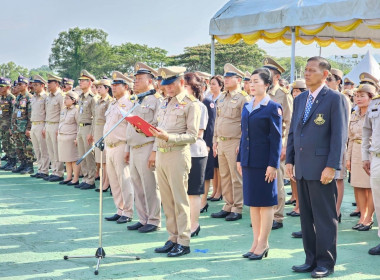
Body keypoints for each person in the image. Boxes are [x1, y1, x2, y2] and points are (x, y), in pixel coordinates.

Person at [286, 56, 348, 278]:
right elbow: (294, 132)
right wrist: (289, 160)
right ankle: (310, 259)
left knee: (324, 219)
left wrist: (332, 166)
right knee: (307, 218)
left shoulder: (335, 99)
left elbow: (339, 136)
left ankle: (325, 263)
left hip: (322, 168)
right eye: (306, 69)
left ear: (324, 74)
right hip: (302, 167)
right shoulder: (301, 98)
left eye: (312, 70)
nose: (306, 73)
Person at [150, 66, 200, 257]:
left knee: (180, 201)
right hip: (162, 154)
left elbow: (193, 136)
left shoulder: (191, 104)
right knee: (167, 201)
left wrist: (169, 137)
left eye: (171, 84)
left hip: (177, 154)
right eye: (165, 85)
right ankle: (172, 238)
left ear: (181, 82)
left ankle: (184, 241)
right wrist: (144, 129)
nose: (167, 88)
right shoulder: (164, 102)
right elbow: (158, 127)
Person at [238, 68, 282, 261]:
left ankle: (263, 243)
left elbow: (276, 138)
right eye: (250, 81)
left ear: (267, 84)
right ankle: (255, 242)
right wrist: (240, 159)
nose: (252, 84)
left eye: (256, 81)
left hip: (265, 163)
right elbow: (243, 136)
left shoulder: (272, 107)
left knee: (265, 204)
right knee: (253, 204)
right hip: (249, 161)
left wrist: (273, 164)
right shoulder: (247, 106)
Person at [125, 62, 162, 233]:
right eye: (135, 79)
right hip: (134, 148)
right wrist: (127, 149)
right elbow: (129, 127)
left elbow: (158, 128)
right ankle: (142, 218)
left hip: (147, 146)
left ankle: (154, 220)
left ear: (150, 81)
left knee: (149, 185)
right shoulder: (136, 100)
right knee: (137, 185)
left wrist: (154, 151)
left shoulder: (156, 101)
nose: (135, 82)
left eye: (139, 79)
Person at [211, 63, 250, 222]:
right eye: (225, 77)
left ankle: (237, 207)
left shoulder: (243, 98)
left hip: (235, 142)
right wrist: (215, 140)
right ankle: (228, 205)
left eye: (229, 78)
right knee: (224, 175)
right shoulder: (222, 97)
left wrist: (241, 145)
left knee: (236, 176)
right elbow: (218, 120)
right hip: (221, 141)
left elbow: (246, 124)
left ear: (238, 79)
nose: (226, 80)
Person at [263, 57, 293, 230]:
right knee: (264, 180)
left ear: (276, 77)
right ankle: (266, 215)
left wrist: (285, 146)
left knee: (278, 181)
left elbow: (289, 123)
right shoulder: (262, 94)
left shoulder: (284, 95)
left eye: (268, 74)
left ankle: (278, 216)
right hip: (263, 143)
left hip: (278, 142)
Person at [103, 71, 134, 224]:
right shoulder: (113, 103)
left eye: (116, 85)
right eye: (112, 85)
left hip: (121, 145)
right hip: (110, 146)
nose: (113, 88)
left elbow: (130, 128)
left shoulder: (129, 103)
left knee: (124, 180)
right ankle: (120, 209)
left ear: (126, 86)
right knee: (114, 181)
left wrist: (128, 148)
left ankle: (128, 211)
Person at [347, 84, 375, 231]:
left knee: (370, 187)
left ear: (371, 97)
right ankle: (362, 215)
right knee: (357, 186)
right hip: (356, 151)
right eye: (356, 96)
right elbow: (350, 137)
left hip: (371, 151)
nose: (358, 99)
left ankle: (369, 218)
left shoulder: (374, 112)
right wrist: (348, 157)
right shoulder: (354, 113)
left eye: (362, 96)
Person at [184, 72, 209, 237]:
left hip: (194, 153)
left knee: (193, 192)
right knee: (181, 192)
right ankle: (184, 225)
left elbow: (198, 133)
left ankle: (194, 224)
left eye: (185, 86)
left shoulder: (200, 106)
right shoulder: (176, 104)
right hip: (179, 152)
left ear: (194, 89)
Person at [326, 68, 351, 222]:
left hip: (337, 143)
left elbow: (343, 126)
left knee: (338, 179)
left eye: (329, 79)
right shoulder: (325, 97)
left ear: (338, 81)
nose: (327, 82)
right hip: (323, 145)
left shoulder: (342, 98)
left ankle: (336, 211)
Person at [362, 85, 380, 255]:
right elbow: (366, 130)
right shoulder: (375, 103)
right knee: (379, 199)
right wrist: (365, 156)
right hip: (377, 157)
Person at [286, 79, 307, 218]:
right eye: (294, 91)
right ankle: (297, 202)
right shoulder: (297, 103)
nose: (295, 94)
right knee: (294, 176)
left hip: (306, 147)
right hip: (293, 143)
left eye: (298, 91)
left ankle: (300, 205)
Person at [76, 70, 98, 190]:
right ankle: (85, 177)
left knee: (89, 155)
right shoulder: (81, 97)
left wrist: (91, 133)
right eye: (80, 81)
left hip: (88, 127)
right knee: (82, 154)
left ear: (90, 83)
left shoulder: (92, 98)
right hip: (80, 127)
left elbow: (95, 117)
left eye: (83, 81)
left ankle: (91, 179)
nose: (80, 83)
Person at [205, 75, 223, 202]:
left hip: (218, 132)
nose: (211, 86)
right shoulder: (208, 98)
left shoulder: (222, 98)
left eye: (214, 84)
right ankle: (215, 189)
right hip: (212, 132)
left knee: (220, 166)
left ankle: (219, 191)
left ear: (220, 86)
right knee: (214, 166)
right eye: (210, 84)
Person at [43, 74, 65, 182]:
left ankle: (59, 172)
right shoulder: (49, 96)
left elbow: (63, 113)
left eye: (50, 83)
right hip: (48, 124)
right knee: (51, 150)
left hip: (56, 124)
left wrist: (60, 128)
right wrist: (45, 126)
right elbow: (47, 113)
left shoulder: (61, 96)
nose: (48, 85)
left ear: (56, 84)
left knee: (57, 150)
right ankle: (54, 170)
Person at [11, 76, 34, 174]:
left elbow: (30, 115)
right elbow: (14, 113)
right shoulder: (19, 97)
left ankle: (29, 166)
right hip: (17, 127)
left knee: (27, 147)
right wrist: (12, 126)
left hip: (24, 127)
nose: (18, 86)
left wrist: (29, 128)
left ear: (26, 85)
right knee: (19, 147)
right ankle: (23, 164)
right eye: (18, 84)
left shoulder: (29, 97)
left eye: (20, 84)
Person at [93, 79, 113, 192]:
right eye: (98, 87)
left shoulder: (109, 101)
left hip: (104, 129)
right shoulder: (98, 101)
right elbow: (95, 118)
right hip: (97, 129)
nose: (98, 89)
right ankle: (104, 181)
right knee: (101, 159)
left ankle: (106, 183)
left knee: (105, 159)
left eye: (101, 87)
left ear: (107, 89)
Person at [58, 91, 80, 185]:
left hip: (71, 136)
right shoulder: (64, 110)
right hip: (62, 136)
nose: (65, 100)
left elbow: (79, 125)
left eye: (67, 98)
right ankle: (68, 177)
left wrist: (77, 137)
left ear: (73, 100)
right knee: (66, 159)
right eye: (65, 98)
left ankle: (75, 178)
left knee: (73, 159)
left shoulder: (76, 110)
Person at [29, 75, 49, 179]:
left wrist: (45, 126)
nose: (34, 87)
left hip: (42, 124)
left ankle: (44, 170)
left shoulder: (46, 97)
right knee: (36, 149)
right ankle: (40, 169)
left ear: (42, 85)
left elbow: (47, 113)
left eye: (36, 85)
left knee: (43, 149)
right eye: (33, 85)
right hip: (34, 124)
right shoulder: (33, 97)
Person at [0, 77, 16, 171]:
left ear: (7, 87)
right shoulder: (1, 97)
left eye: (1, 86)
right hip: (2, 125)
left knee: (10, 144)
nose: (0, 88)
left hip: (8, 126)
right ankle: (9, 161)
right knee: (5, 144)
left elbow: (14, 114)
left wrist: (12, 126)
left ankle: (13, 162)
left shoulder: (11, 98)